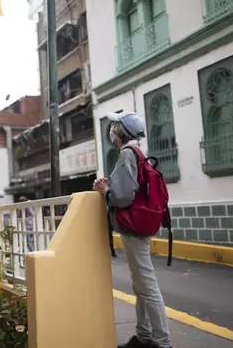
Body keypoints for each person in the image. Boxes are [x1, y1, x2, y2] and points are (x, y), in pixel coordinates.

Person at [93, 111, 172, 348]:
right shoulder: (137, 152)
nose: (111, 130)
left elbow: (123, 197)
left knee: (146, 286)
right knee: (140, 285)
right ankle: (144, 335)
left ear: (120, 131)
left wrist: (104, 190)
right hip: (141, 225)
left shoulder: (127, 154)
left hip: (133, 228)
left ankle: (162, 342)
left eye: (114, 125)